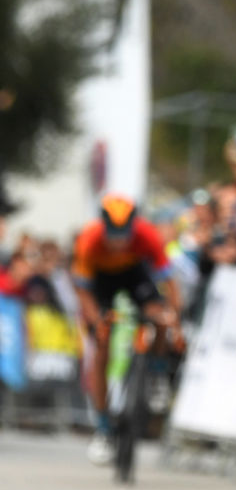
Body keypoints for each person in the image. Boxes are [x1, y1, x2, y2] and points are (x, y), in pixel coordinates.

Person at [71, 194, 182, 465]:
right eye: (113, 235)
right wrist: (97, 319)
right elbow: (83, 292)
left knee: (158, 316)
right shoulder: (89, 239)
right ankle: (103, 427)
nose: (119, 242)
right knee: (101, 345)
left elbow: (169, 284)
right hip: (101, 281)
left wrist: (173, 318)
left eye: (124, 235)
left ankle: (155, 373)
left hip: (135, 273)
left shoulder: (147, 235)